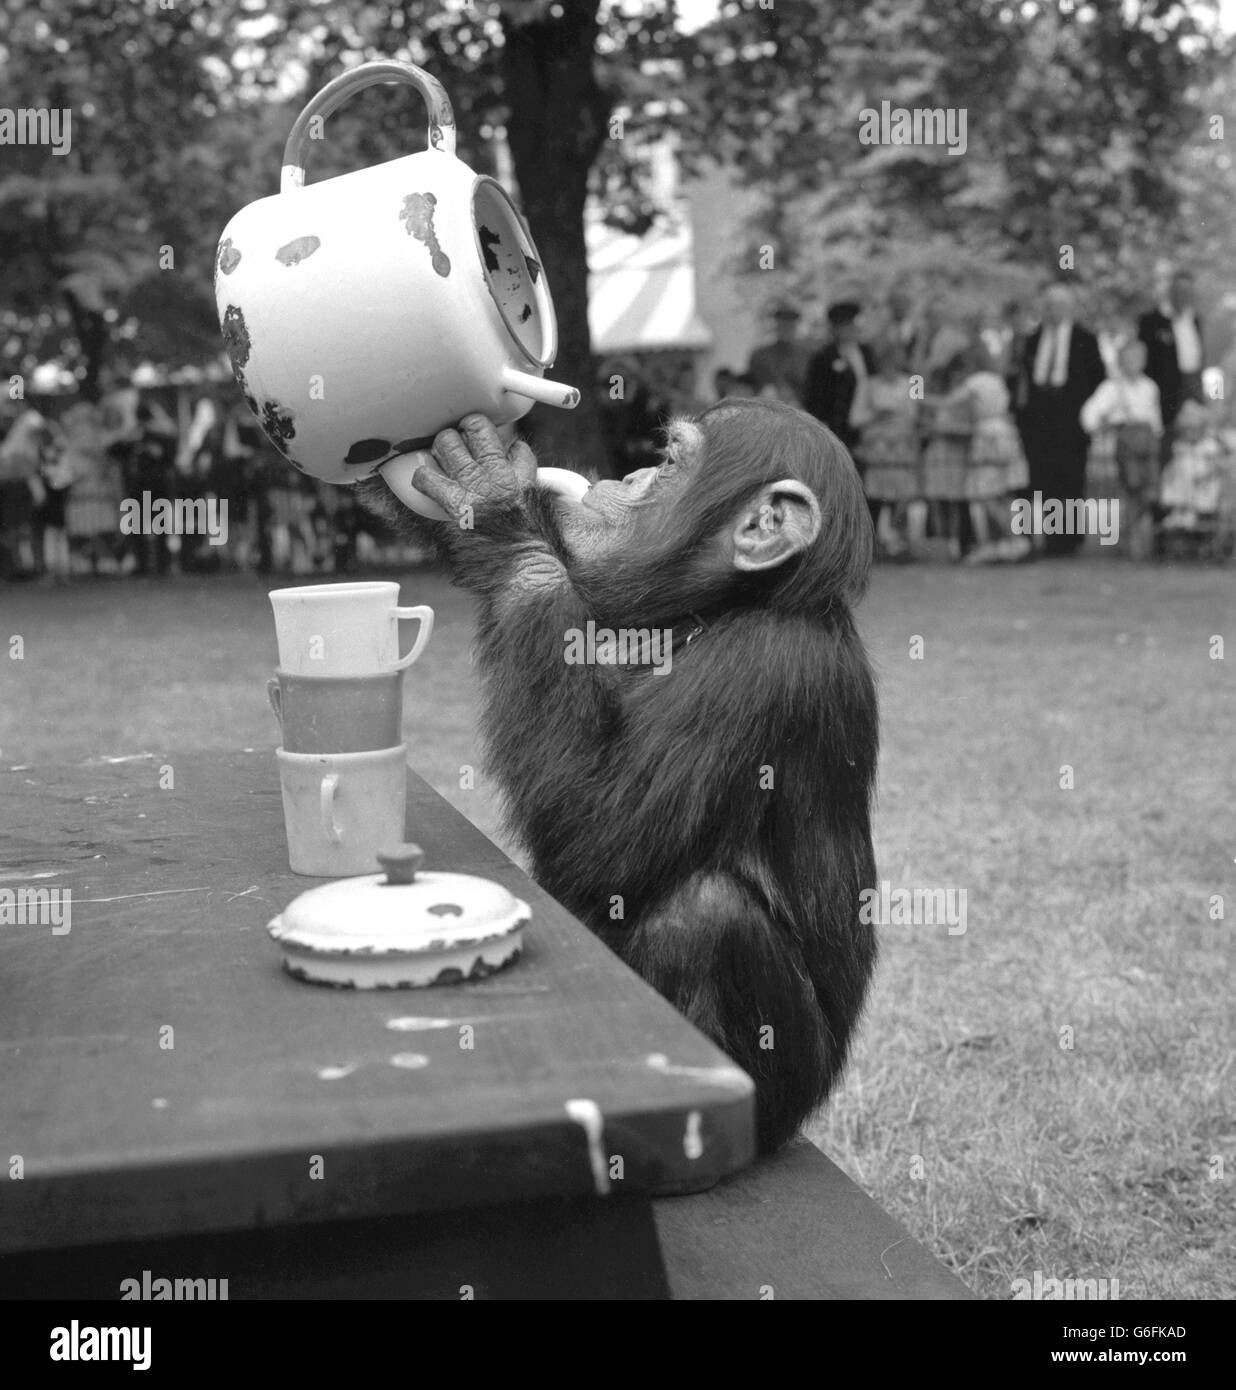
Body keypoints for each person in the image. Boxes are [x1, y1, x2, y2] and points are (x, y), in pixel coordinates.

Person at [1018, 283, 1106, 556]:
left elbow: (1097, 379)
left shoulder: (1085, 339)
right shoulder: (1032, 340)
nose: (1054, 311)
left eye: (1060, 305)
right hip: (1039, 419)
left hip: (1071, 419)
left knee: (1070, 477)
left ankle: (1067, 540)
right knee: (1040, 478)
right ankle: (1042, 537)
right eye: (1050, 305)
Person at [947, 341, 1031, 562]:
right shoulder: (996, 379)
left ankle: (1016, 539)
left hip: (988, 437)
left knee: (982, 492)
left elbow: (948, 403)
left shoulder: (975, 382)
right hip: (1004, 434)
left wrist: (915, 389)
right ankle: (1003, 542)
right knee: (1002, 492)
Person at [1080, 339, 1162, 559]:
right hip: (1125, 448)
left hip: (1146, 448)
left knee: (1146, 494)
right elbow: (1089, 416)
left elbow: (1155, 422)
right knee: (1129, 491)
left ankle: (1134, 540)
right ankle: (1127, 542)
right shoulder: (1111, 388)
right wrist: (1106, 425)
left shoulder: (1149, 387)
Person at [859, 337, 921, 559]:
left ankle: (902, 543)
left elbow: (918, 414)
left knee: (904, 495)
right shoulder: (868, 384)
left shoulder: (914, 382)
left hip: (903, 445)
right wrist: (877, 415)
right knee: (877, 495)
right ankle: (875, 543)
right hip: (879, 447)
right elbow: (855, 417)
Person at [1138, 269, 1205, 443]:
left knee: (1196, 439)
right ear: (1172, 292)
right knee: (1167, 438)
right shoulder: (1152, 320)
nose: (1184, 296)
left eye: (1188, 291)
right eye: (1180, 291)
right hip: (1167, 389)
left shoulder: (1195, 319)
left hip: (1193, 384)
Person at [803, 300, 875, 455]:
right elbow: (814, 394)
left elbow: (911, 379)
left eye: (849, 325)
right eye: (841, 326)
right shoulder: (823, 358)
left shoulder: (867, 352)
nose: (846, 330)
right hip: (837, 424)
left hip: (868, 423)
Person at [746, 303, 812, 406]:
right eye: (782, 320)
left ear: (795, 324)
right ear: (776, 323)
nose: (786, 325)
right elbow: (750, 386)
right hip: (767, 408)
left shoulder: (807, 355)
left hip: (801, 410)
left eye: (790, 321)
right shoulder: (760, 355)